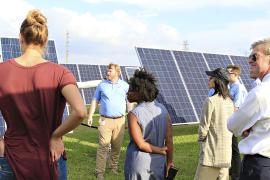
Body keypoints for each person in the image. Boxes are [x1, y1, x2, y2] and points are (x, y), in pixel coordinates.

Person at [0, 9, 86, 180]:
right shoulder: (61, 73)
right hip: (50, 156)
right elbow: (80, 111)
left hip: (11, 157)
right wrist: (56, 136)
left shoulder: (2, 71)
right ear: (45, 41)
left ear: (20, 37)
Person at [228, 38, 270, 180]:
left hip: (259, 167)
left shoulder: (260, 92)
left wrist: (248, 127)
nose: (249, 61)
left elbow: (233, 125)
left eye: (255, 56)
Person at [124, 69, 173, 180]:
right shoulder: (163, 109)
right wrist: (169, 161)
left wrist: (159, 150)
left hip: (138, 165)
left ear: (139, 92)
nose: (127, 93)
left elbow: (141, 145)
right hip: (159, 164)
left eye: (130, 90)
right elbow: (169, 139)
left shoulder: (133, 114)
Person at [87, 63, 132, 180]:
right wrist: (90, 115)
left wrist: (130, 118)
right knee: (103, 146)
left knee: (117, 146)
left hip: (120, 121)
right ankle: (99, 172)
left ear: (117, 72)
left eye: (110, 70)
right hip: (104, 120)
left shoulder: (125, 86)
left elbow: (129, 102)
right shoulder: (102, 85)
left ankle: (113, 168)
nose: (107, 72)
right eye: (107, 70)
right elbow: (95, 100)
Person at [194, 68, 234, 180]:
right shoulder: (230, 102)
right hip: (225, 155)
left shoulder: (210, 101)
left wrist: (202, 144)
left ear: (217, 81)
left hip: (210, 155)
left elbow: (203, 128)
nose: (208, 79)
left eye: (211, 77)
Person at [226, 64, 247, 180]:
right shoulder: (231, 86)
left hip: (236, 121)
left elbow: (236, 107)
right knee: (231, 147)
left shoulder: (238, 87)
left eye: (229, 73)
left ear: (236, 75)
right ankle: (234, 169)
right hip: (232, 120)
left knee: (234, 149)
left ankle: (236, 175)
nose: (227, 74)